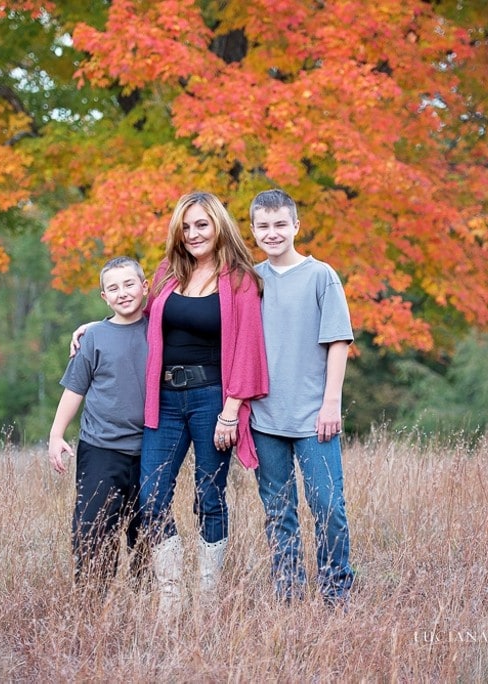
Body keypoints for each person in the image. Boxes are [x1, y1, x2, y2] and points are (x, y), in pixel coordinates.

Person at [139, 191, 268, 619]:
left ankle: (208, 599)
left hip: (213, 399)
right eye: (187, 226)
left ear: (218, 227)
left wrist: (230, 412)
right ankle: (172, 599)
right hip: (164, 399)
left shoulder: (240, 280)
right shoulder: (167, 274)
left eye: (202, 225)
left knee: (208, 497)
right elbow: (136, 315)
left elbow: (248, 347)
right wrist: (89, 326)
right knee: (152, 497)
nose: (193, 233)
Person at [248, 188, 355, 606]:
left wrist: (331, 403)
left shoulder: (321, 275)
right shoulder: (249, 280)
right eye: (263, 226)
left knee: (328, 506)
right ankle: (288, 595)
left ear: (296, 226)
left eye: (280, 224)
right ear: (253, 230)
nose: (272, 233)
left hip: (314, 416)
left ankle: (335, 594)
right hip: (265, 418)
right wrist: (97, 326)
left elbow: (338, 342)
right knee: (279, 513)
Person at [48, 256, 149, 594]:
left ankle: (144, 602)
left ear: (145, 286)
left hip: (151, 449)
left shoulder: (159, 329)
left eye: (129, 284)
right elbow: (75, 388)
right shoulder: (94, 338)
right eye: (113, 288)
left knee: (147, 531)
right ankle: (92, 604)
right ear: (104, 297)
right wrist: (56, 434)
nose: (122, 293)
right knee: (94, 530)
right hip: (101, 448)